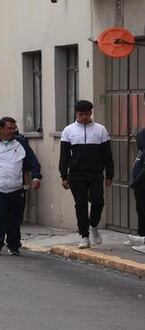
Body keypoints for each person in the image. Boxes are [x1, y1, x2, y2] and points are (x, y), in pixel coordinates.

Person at [0, 117, 42, 256]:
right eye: (9, 128)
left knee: (14, 218)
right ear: (0, 129)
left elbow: (33, 161)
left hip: (16, 188)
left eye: (14, 128)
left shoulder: (21, 144)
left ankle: (13, 244)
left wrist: (36, 177)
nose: (12, 131)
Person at [59, 99, 115, 248]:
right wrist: (64, 176)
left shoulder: (100, 130)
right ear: (76, 114)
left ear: (91, 113)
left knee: (98, 201)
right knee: (81, 204)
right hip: (76, 174)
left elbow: (107, 154)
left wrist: (109, 174)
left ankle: (93, 225)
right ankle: (84, 236)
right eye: (81, 114)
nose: (84, 117)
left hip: (95, 172)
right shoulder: (68, 130)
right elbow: (64, 155)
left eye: (87, 114)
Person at [128, 127, 145, 253]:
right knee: (140, 209)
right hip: (139, 185)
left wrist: (136, 182)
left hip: (141, 183)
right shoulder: (142, 152)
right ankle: (141, 236)